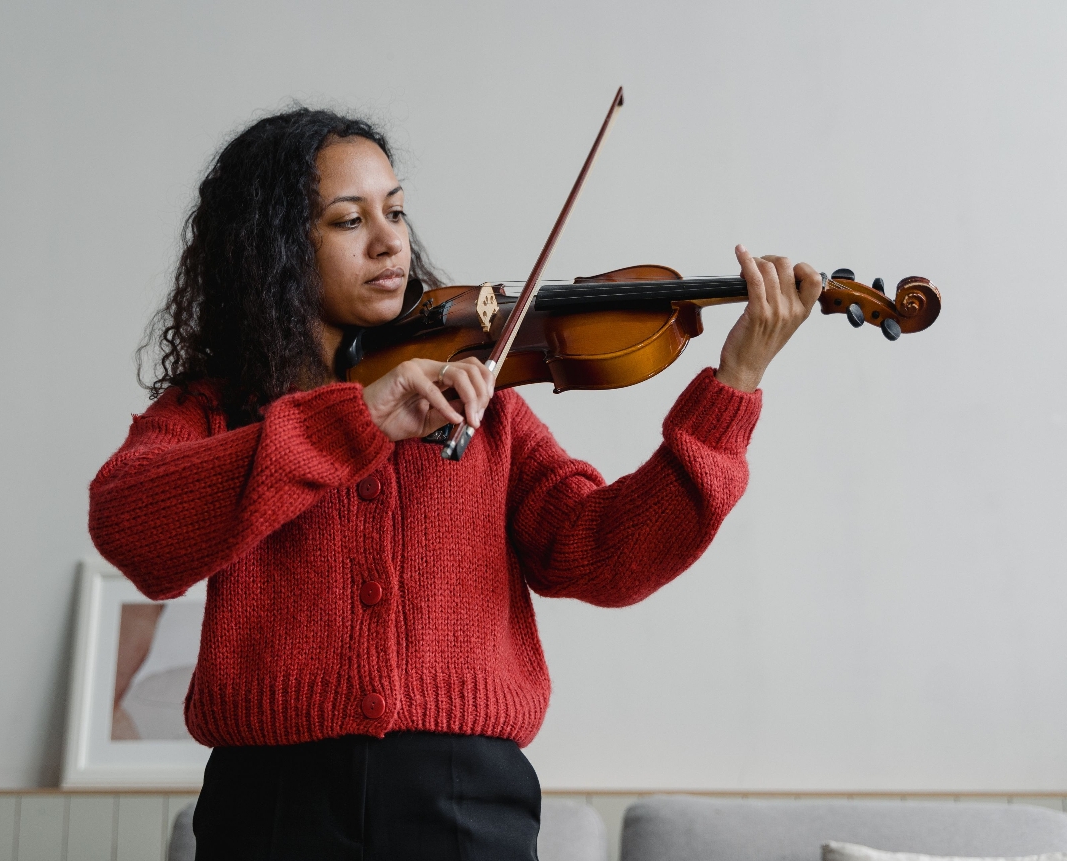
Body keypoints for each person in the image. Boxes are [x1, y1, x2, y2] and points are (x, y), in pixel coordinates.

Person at [88, 106, 820, 861]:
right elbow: (132, 526)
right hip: (273, 806)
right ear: (272, 249)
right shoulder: (214, 410)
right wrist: (356, 418)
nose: (390, 240)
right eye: (349, 220)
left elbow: (601, 554)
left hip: (466, 803)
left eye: (396, 211)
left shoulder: (481, 397)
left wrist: (733, 385)